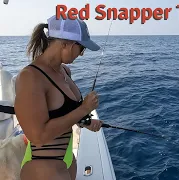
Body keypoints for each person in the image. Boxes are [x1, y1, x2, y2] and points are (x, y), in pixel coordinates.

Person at [14, 15, 104, 180]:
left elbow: (65, 112)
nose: (82, 54)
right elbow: (38, 136)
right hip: (44, 167)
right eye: (82, 48)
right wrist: (84, 108)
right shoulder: (30, 77)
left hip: (67, 159)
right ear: (66, 44)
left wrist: (86, 122)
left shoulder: (65, 71)